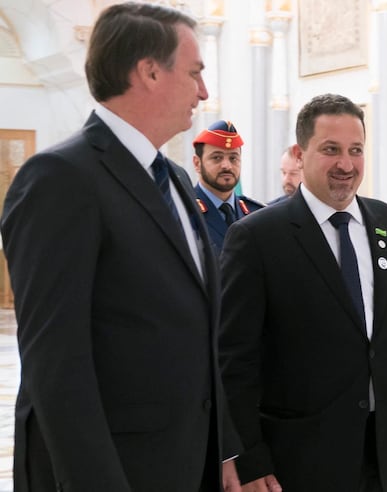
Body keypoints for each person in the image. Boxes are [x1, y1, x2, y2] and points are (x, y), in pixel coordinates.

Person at [0, 3, 242, 491]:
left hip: (187, 460)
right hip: (116, 469)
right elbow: (56, 363)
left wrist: (226, 451)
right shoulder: (60, 179)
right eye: (194, 73)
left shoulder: (172, 177)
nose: (204, 91)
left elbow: (197, 332)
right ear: (149, 71)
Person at [219, 93, 387, 491]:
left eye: (355, 150)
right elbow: (235, 360)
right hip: (297, 455)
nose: (346, 164)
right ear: (299, 152)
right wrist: (247, 455)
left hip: (380, 449)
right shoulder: (257, 237)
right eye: (331, 150)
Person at [193, 120, 265, 257]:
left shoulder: (257, 213)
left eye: (233, 158)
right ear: (197, 163)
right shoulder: (184, 211)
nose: (227, 166)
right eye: (217, 158)